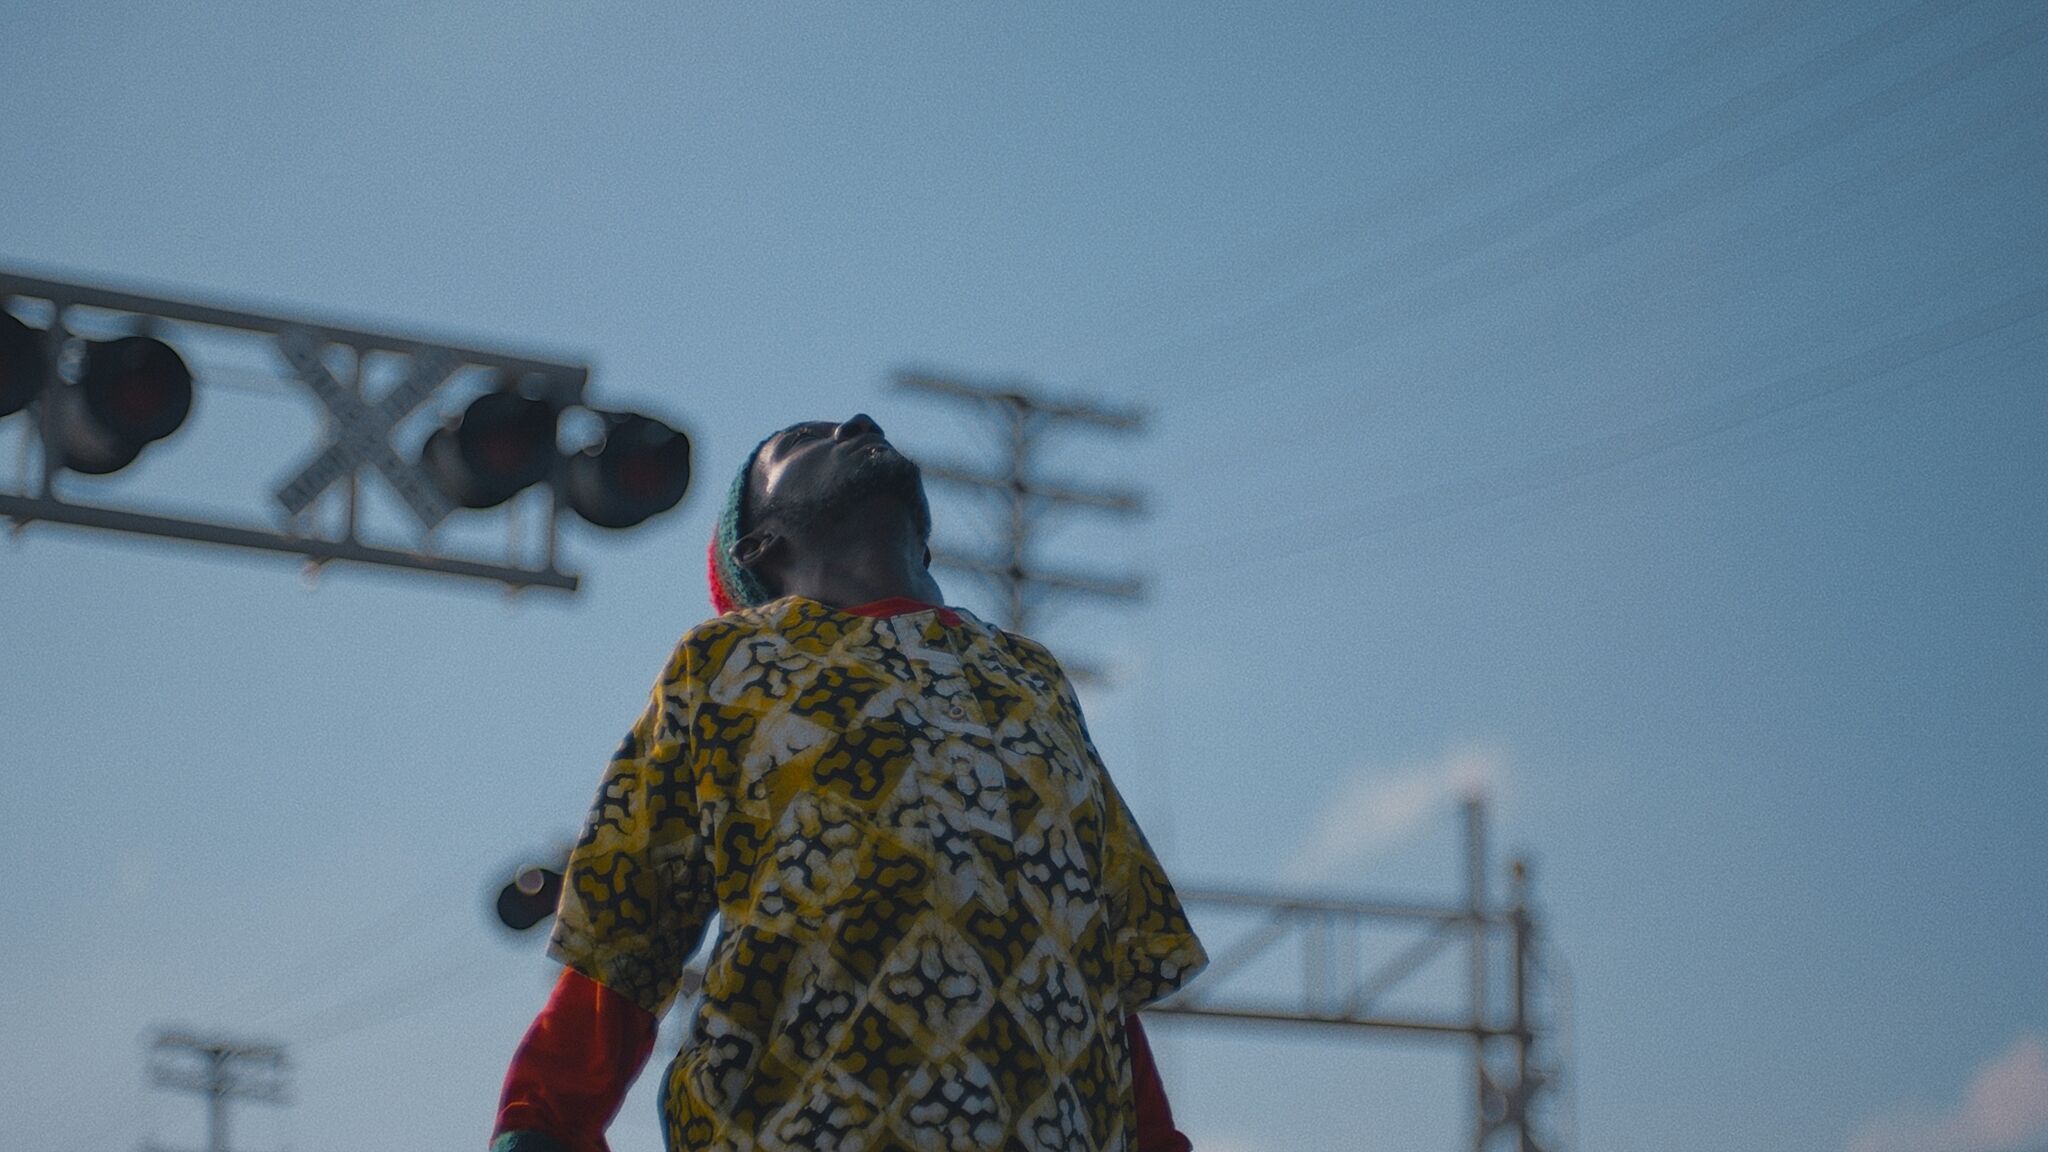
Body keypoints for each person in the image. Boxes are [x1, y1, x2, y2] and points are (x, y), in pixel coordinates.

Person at [490, 413, 1207, 1152]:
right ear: (761, 547)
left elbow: (1095, 963)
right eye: (800, 442)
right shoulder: (728, 665)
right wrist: (540, 1124)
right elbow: (623, 929)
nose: (860, 423)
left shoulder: (1035, 681)